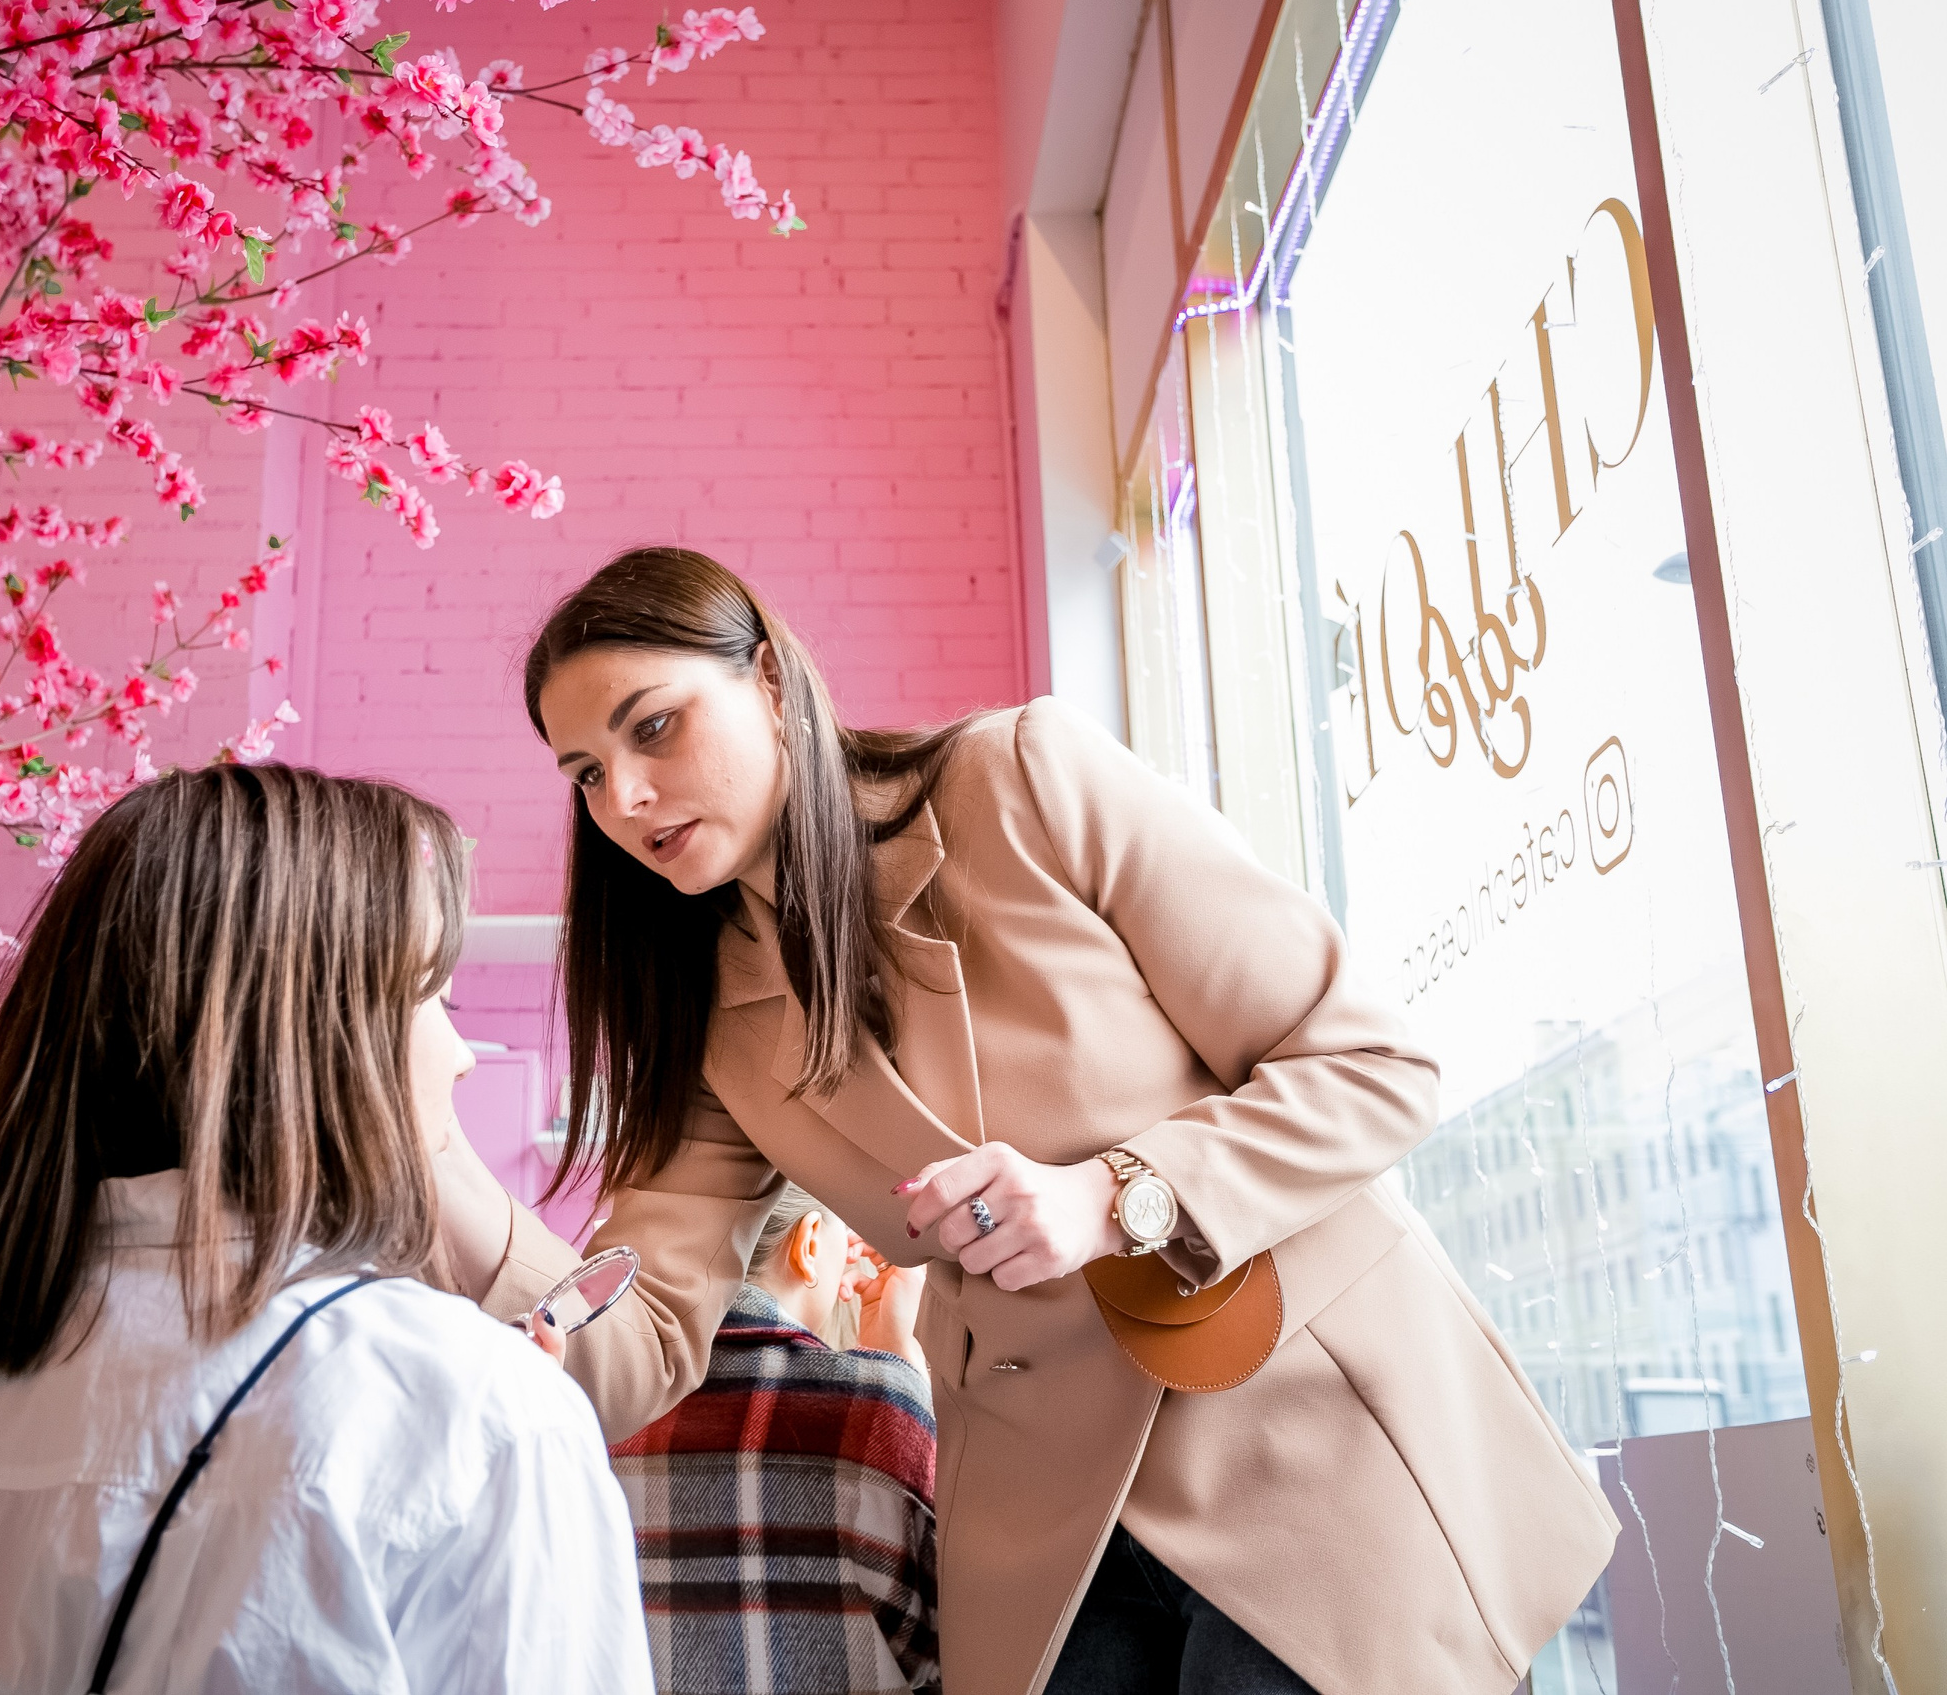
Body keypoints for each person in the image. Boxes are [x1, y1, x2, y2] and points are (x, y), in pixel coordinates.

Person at [429, 548, 1619, 1695]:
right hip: (1043, 1522)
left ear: (771, 682)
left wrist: (1109, 1197)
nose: (625, 798)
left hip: (1298, 1437)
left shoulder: (1021, 781)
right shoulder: (709, 1023)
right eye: (584, 771)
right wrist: (432, 1167)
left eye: (653, 726)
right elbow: (633, 1337)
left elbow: (1372, 1064)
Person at [0, 765, 651, 1695]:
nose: (458, 1057)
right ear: (320, 1036)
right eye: (434, 997)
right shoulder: (479, 1418)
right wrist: (487, 1404)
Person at [609, 1184, 939, 1693]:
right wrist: (899, 1369)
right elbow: (947, 1647)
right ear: (808, 1246)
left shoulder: (603, 1402)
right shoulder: (875, 1405)